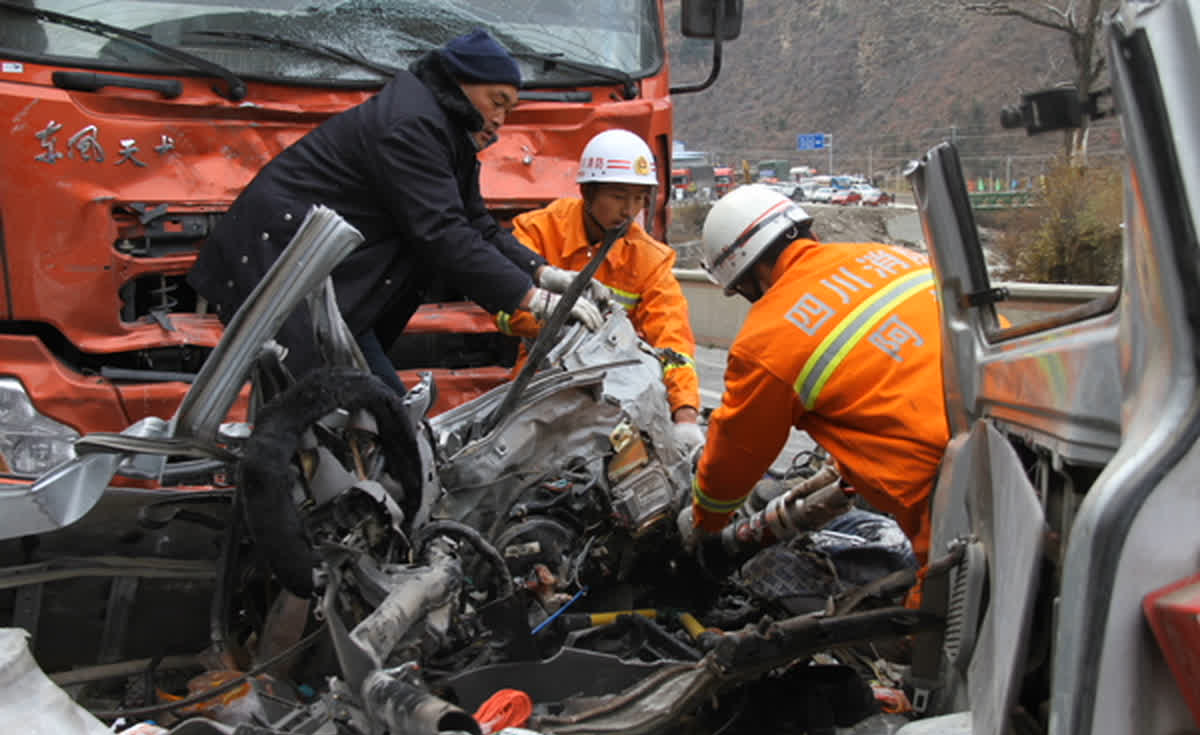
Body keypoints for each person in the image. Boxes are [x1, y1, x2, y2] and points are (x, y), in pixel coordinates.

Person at [187, 28, 601, 393]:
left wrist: (547, 274)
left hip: (327, 286)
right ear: (459, 84)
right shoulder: (411, 127)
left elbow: (476, 224)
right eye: (497, 102)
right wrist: (531, 298)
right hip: (281, 267)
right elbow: (442, 233)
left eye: (509, 109)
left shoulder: (446, 131)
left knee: (363, 409)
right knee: (358, 413)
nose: (500, 120)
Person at [686, 184, 949, 563]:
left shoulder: (766, 340)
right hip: (1021, 428)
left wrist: (704, 520)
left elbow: (734, 456)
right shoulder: (893, 257)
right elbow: (886, 379)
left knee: (936, 612)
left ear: (746, 275)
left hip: (943, 492)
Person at [494, 129, 704, 451]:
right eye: (619, 196)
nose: (629, 210)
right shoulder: (537, 231)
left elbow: (672, 338)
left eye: (639, 198)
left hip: (617, 402)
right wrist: (560, 321)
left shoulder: (650, 258)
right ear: (587, 192)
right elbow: (506, 313)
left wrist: (685, 414)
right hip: (539, 390)